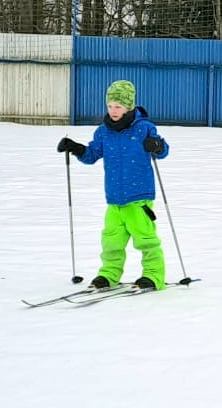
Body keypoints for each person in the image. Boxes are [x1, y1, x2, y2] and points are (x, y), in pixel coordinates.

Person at [57, 79, 170, 289]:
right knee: (111, 241)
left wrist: (156, 145)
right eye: (110, 106)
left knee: (145, 239)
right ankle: (109, 275)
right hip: (114, 199)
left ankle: (153, 275)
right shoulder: (103, 132)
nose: (113, 111)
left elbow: (163, 152)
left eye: (118, 106)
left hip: (139, 197)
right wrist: (76, 148)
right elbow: (91, 155)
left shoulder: (143, 128)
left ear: (129, 106)